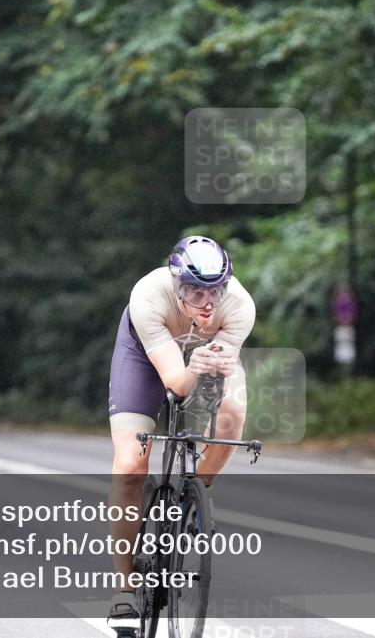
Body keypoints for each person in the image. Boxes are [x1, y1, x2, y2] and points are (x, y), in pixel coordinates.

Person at [106, 236, 255, 629]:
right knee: (130, 465)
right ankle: (124, 590)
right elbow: (176, 382)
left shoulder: (239, 307)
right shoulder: (149, 297)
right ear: (176, 285)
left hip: (207, 359)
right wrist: (194, 369)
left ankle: (196, 495)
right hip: (145, 356)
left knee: (233, 413)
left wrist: (208, 367)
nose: (207, 302)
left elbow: (213, 388)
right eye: (193, 290)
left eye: (215, 291)